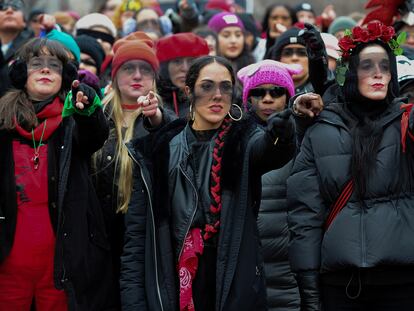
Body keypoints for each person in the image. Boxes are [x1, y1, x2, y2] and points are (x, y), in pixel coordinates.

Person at [120, 55, 296, 310]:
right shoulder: (159, 150)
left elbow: (271, 150)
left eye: (226, 87)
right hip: (171, 283)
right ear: (189, 91)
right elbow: (136, 239)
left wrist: (284, 130)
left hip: (233, 289)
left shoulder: (245, 141)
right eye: (207, 86)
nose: (217, 95)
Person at [287, 21, 414, 311]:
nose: (379, 73)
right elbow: (305, 214)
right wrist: (309, 289)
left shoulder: (407, 121)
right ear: (350, 73)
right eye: (367, 66)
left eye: (385, 65)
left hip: (404, 282)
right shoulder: (321, 129)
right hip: (342, 286)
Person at [0, 37, 116, 310]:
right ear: (21, 74)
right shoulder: (3, 123)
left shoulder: (73, 119)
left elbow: (94, 136)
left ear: (64, 77)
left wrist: (88, 111)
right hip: (8, 267)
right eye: (36, 64)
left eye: (54, 65)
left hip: (61, 266)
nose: (45, 70)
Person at [91, 31, 172, 309]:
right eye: (128, 68)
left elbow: (163, 134)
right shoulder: (96, 116)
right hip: (99, 235)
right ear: (114, 76)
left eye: (145, 70)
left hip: (142, 234)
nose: (137, 76)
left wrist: (155, 117)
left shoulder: (164, 119)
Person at [238, 60, 303, 311]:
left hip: (290, 265)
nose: (267, 99)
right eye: (258, 92)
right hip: (248, 261)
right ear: (248, 99)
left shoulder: (303, 137)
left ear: (288, 98)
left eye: (276, 92)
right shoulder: (234, 138)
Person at [156, 32, 209, 118]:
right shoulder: (154, 102)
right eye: (177, 61)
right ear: (165, 68)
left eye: (191, 61)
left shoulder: (213, 97)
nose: (185, 68)